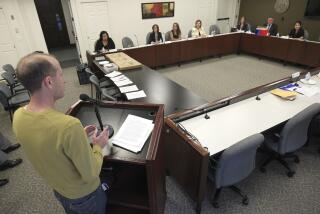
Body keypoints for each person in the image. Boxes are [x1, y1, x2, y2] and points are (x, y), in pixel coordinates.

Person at [13, 53, 109, 214]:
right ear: (49, 82)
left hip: (60, 190)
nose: (64, 80)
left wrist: (76, 138)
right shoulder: (68, 127)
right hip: (85, 196)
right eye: (61, 74)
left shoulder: (18, 116)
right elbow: (91, 174)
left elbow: (47, 145)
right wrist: (98, 146)